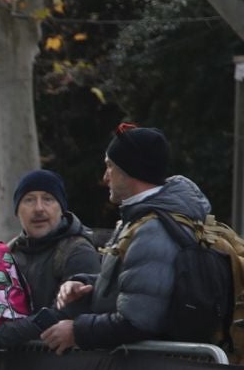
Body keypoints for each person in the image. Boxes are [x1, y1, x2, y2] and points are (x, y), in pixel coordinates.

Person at [43, 126, 212, 354]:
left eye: (109, 166)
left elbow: (139, 319)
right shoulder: (142, 219)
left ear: (130, 170)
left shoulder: (153, 229)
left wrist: (77, 331)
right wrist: (86, 284)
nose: (105, 177)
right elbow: (136, 285)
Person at [0, 170, 96, 359]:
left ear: (61, 207)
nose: (39, 208)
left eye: (48, 199)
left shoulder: (78, 251)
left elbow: (61, 317)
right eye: (29, 200)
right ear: (17, 210)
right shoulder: (9, 252)